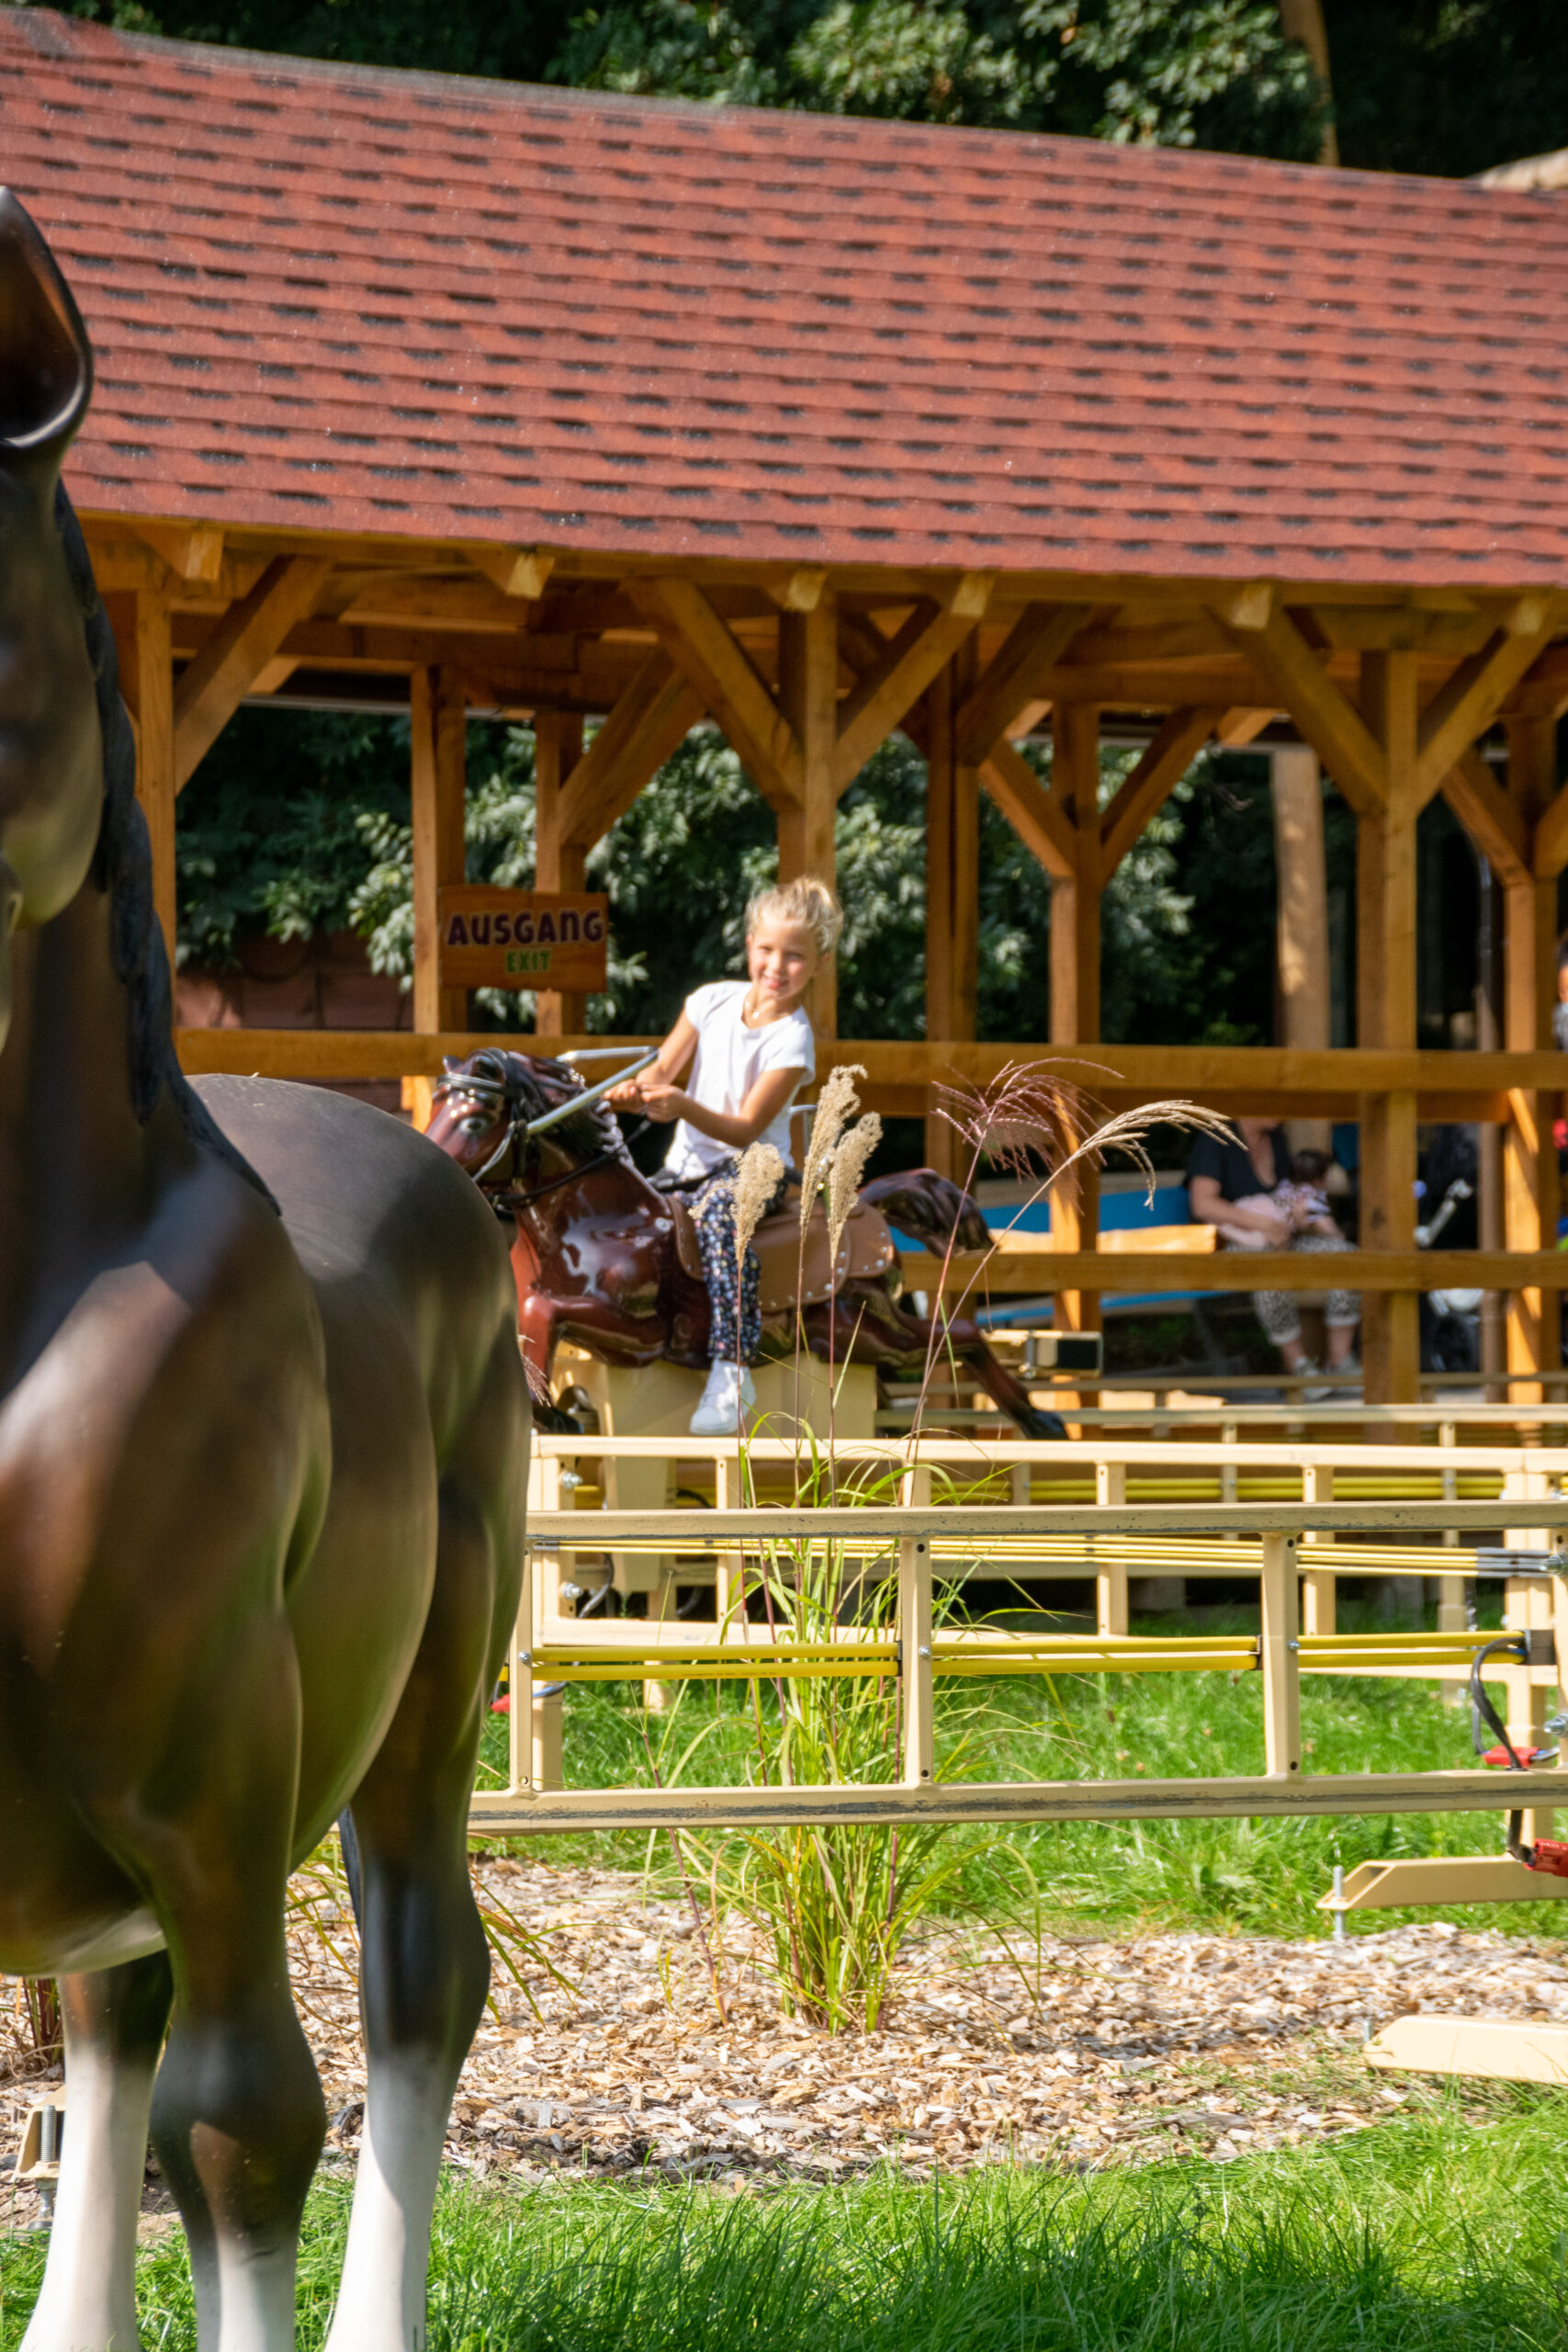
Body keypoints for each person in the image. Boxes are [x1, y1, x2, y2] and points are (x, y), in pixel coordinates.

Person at [609, 876, 840, 1434]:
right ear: (749, 946)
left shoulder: (793, 1039)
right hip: (687, 1167)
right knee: (620, 1215)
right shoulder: (710, 1000)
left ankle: (733, 1370)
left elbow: (745, 1130)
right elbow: (661, 1070)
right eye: (766, 950)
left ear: (817, 964)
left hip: (757, 1167)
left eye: (794, 957)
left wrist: (680, 1105)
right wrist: (634, 1091)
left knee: (718, 1217)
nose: (776, 966)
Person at [1185, 1116, 1360, 1389]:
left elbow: (1284, 1194)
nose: (1282, 1111)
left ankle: (1340, 1362)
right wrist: (1263, 1224)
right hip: (1233, 1244)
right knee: (1269, 1269)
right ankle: (1299, 1369)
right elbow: (1202, 1204)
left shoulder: (1276, 1138)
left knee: (1348, 1257)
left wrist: (1299, 1217)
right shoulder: (1216, 1138)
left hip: (1283, 1241)